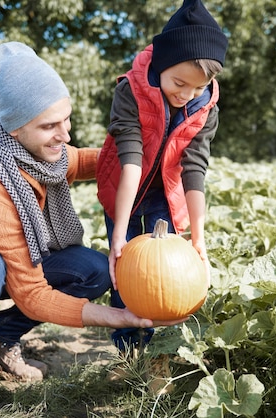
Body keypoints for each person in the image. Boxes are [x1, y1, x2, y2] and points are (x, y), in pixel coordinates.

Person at [0, 42, 183, 416]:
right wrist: (119, 317)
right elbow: (31, 294)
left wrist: (137, 159)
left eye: (67, 119)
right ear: (14, 127)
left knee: (92, 270)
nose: (64, 134)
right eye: (49, 126)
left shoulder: (34, 150)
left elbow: (76, 160)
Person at [96, 0, 228, 351]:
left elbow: (195, 167)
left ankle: (157, 353)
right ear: (161, 63)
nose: (186, 95)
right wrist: (119, 236)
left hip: (167, 195)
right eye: (179, 83)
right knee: (126, 271)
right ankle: (127, 351)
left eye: (198, 88)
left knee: (166, 275)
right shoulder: (131, 91)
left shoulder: (205, 107)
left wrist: (198, 239)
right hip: (123, 187)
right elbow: (131, 162)